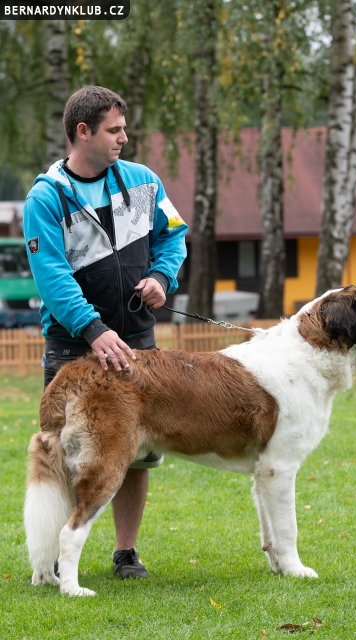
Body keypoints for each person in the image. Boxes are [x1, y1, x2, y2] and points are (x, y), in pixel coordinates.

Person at [23, 86, 188, 579]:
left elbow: (174, 234)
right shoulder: (45, 197)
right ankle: (54, 557)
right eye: (114, 130)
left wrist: (161, 277)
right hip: (73, 345)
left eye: (123, 129)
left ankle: (125, 553)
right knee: (65, 452)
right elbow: (51, 276)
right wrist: (93, 329)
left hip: (136, 342)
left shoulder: (144, 181)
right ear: (83, 132)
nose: (124, 137)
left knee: (136, 453)